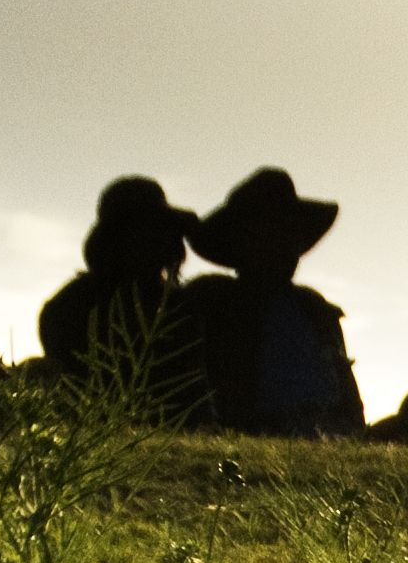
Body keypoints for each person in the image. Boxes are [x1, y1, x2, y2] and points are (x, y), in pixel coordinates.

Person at [183, 167, 365, 440]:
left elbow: (344, 384)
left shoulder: (315, 308)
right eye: (270, 234)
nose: (285, 246)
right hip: (257, 428)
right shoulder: (213, 301)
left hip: (332, 431)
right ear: (243, 242)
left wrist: (353, 427)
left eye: (289, 234)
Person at [36, 177, 200, 405]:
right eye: (148, 228)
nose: (163, 238)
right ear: (118, 236)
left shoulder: (65, 304)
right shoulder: (71, 307)